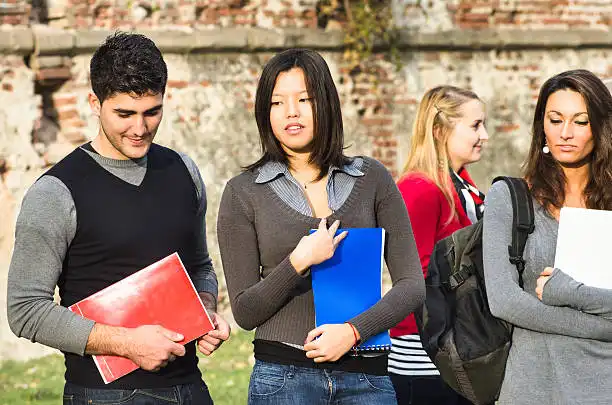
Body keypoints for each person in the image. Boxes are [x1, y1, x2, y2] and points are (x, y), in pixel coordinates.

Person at [7, 32, 230, 405]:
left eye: (151, 112)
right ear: (95, 102)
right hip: (102, 395)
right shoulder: (54, 193)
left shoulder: (184, 171)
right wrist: (126, 343)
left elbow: (200, 265)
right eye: (124, 114)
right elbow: (25, 310)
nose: (139, 129)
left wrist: (204, 308)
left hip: (190, 388)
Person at [216, 48, 425, 405]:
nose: (291, 112)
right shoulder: (243, 192)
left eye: (304, 99)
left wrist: (353, 331)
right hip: (284, 379)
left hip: (366, 377)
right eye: (277, 102)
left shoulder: (371, 178)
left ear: (325, 103)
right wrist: (298, 262)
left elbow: (412, 285)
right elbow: (246, 311)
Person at [483, 69, 612, 404]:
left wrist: (565, 291)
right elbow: (504, 300)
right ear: (542, 125)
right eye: (555, 120)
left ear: (601, 129)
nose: (565, 133)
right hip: (531, 387)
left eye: (580, 121)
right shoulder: (509, 196)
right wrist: (602, 326)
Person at [388, 85, 487, 404]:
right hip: (425, 355)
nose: (484, 135)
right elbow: (416, 278)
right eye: (475, 126)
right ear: (440, 131)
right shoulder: (419, 189)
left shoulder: (462, 184)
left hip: (459, 347)